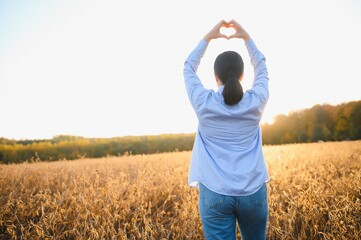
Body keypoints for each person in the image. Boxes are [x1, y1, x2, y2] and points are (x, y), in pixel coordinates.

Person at [183, 19, 269, 240]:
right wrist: (246, 37)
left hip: (214, 193)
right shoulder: (256, 100)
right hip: (253, 192)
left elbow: (188, 67)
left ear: (215, 76)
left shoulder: (204, 102)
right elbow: (261, 64)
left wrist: (209, 37)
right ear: (242, 76)